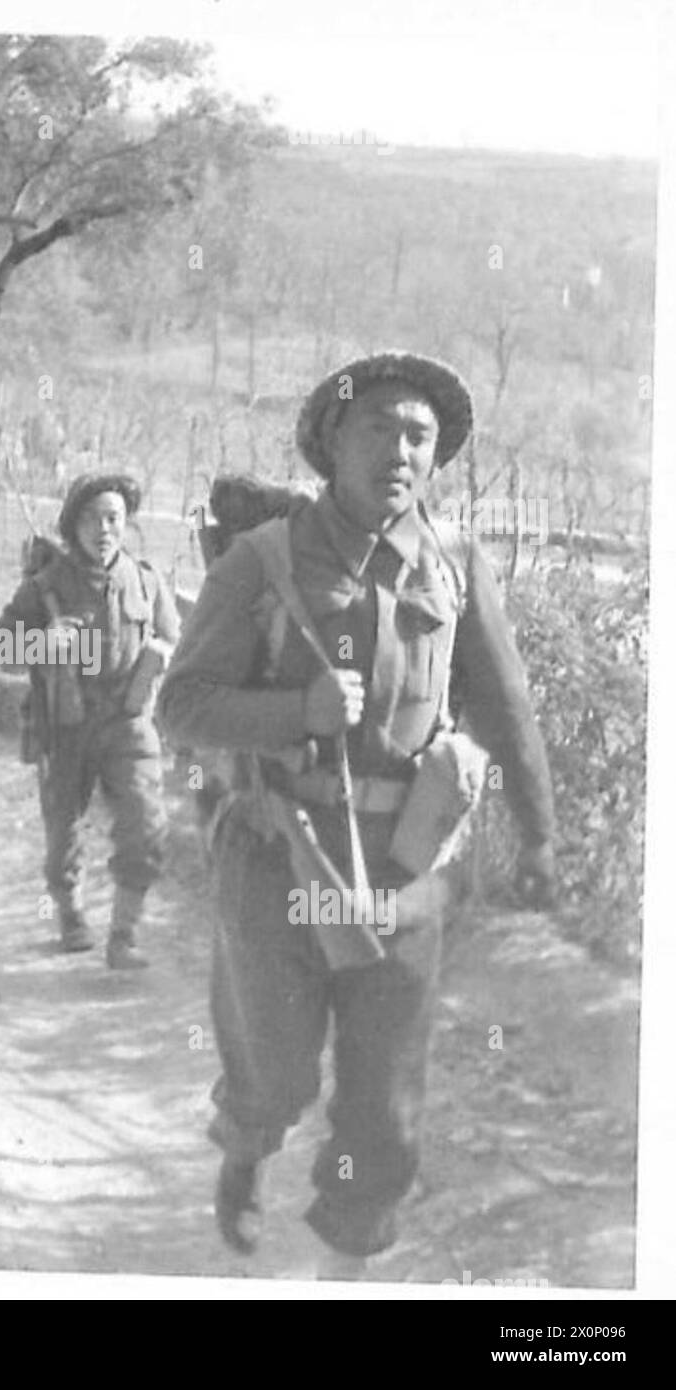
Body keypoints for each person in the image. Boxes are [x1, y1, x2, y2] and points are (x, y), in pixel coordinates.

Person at [157, 352, 556, 1277]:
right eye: (379, 427)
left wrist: (538, 832)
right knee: (276, 1069)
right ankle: (247, 1149)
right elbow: (181, 704)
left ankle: (347, 1268)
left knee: (385, 1106)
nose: (402, 449)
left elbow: (505, 706)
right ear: (333, 440)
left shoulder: (455, 565)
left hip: (406, 872)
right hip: (277, 859)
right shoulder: (263, 560)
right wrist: (293, 713)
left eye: (420, 435)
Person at [0, 474, 180, 969]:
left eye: (114, 518)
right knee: (62, 829)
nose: (104, 528)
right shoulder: (47, 587)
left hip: (128, 719)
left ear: (126, 524)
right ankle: (70, 911)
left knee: (146, 824)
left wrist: (164, 655)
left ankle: (125, 934)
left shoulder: (147, 580)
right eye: (92, 518)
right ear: (74, 525)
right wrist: (41, 644)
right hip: (67, 721)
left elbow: (180, 645)